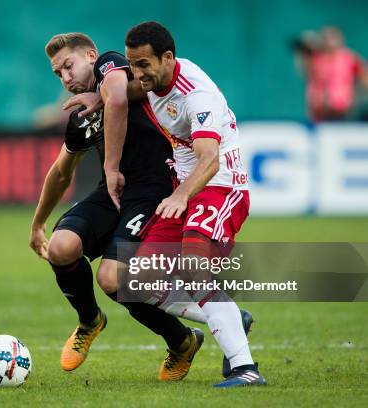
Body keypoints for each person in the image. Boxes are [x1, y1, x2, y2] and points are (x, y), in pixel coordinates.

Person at [99, 21, 265, 387]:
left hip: (219, 187)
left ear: (168, 58)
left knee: (193, 266)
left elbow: (210, 159)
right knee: (136, 281)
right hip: (184, 191)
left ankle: (245, 369)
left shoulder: (197, 94)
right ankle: (230, 316)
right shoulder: (153, 81)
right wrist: (95, 97)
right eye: (132, 64)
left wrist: (178, 195)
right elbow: (125, 91)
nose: (137, 73)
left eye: (143, 64)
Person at [29, 32, 204, 380]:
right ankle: (89, 321)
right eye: (57, 73)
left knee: (113, 279)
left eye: (69, 66)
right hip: (112, 194)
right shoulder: (81, 116)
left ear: (90, 56)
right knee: (61, 248)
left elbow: (120, 98)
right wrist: (37, 224)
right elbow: (61, 173)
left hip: (152, 192)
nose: (65, 77)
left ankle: (182, 341)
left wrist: (110, 167)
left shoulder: (112, 67)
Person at [302, 26, 368, 122]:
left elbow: (364, 76)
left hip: (341, 111)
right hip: (319, 111)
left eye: (332, 37)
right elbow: (303, 66)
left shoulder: (349, 58)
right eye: (326, 37)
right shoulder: (315, 58)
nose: (329, 41)